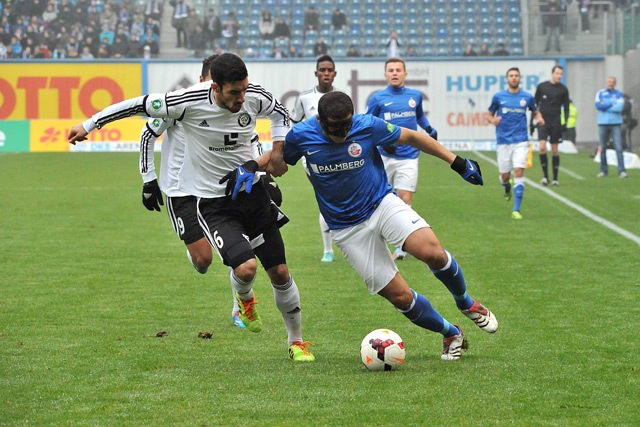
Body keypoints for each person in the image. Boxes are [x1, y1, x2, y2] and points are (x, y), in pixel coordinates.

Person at [67, 53, 315, 362]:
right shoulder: (185, 101)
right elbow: (135, 105)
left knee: (279, 271)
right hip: (212, 204)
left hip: (251, 196)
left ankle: (297, 343)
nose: (242, 98)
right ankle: (245, 298)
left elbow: (278, 112)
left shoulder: (255, 95)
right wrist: (89, 124)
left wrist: (277, 150)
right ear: (215, 87)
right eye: (233, 93)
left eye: (244, 89)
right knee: (244, 267)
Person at [277, 91, 498, 361]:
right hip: (347, 229)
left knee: (434, 253)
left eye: (347, 124)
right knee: (401, 298)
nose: (344, 133)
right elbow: (278, 162)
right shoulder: (300, 135)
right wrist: (253, 169)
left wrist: (458, 162)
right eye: (336, 127)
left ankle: (466, 302)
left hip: (381, 204)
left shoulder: (367, 125)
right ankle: (450, 332)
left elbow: (414, 136)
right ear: (320, 120)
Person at [366, 57, 438, 260]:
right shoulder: (377, 98)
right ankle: (379, 241)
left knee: (405, 201)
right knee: (379, 201)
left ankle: (401, 246)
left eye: (398, 70)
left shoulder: (415, 96)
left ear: (405, 74)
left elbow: (420, 117)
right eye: (391, 70)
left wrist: (430, 129)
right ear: (385, 74)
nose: (395, 73)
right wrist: (380, 141)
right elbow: (368, 123)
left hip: (409, 156)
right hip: (384, 158)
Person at [290, 55, 339, 263]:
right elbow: (293, 124)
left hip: (338, 156)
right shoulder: (304, 98)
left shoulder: (341, 97)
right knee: (326, 197)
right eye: (322, 70)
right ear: (316, 73)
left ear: (334, 73)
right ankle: (328, 250)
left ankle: (347, 238)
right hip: (313, 157)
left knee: (341, 196)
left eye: (330, 70)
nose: (326, 73)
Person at [488, 67, 545, 220]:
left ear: (520, 78)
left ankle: (516, 210)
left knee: (519, 171)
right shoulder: (499, 97)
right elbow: (489, 114)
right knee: (505, 176)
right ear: (507, 79)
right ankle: (506, 187)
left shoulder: (527, 97)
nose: (514, 78)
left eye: (516, 76)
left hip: (521, 140)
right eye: (511, 76)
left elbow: (535, 110)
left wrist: (539, 118)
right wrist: (493, 120)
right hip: (503, 141)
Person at [534, 65, 570, 187]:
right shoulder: (542, 87)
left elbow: (566, 108)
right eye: (557, 73)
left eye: (561, 74)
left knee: (555, 150)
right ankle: (545, 177)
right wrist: (532, 122)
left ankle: (555, 178)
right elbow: (535, 105)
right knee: (542, 147)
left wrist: (565, 121)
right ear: (552, 73)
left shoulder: (563, 89)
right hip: (543, 121)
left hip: (556, 122)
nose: (559, 76)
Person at [595, 76, 628, 178]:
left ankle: (621, 171)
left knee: (618, 147)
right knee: (603, 147)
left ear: (615, 83)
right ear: (606, 82)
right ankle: (603, 170)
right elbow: (598, 105)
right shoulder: (600, 93)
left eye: (612, 82)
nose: (610, 83)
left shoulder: (618, 94)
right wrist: (611, 103)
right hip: (603, 123)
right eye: (609, 81)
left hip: (615, 123)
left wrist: (606, 105)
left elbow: (619, 107)